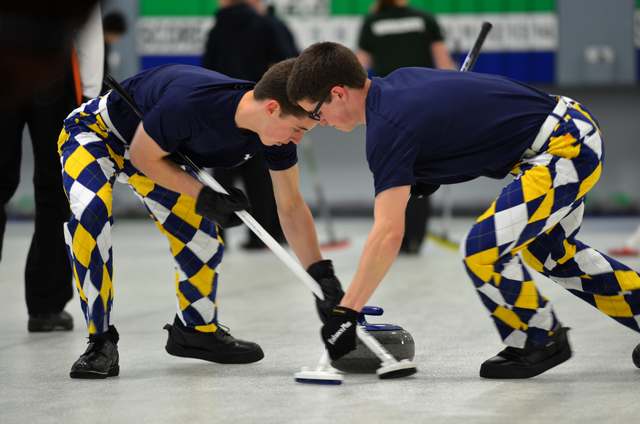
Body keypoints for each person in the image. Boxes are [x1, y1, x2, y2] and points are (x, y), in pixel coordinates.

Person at [287, 42, 640, 379]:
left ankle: (540, 339)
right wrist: (431, 171)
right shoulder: (397, 85)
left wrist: (348, 310)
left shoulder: (387, 128)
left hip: (563, 148)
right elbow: (458, 128)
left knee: (483, 251)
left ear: (337, 93)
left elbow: (388, 233)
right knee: (550, 253)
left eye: (317, 112)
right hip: (568, 130)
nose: (320, 122)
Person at [58, 59, 344, 379]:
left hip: (154, 153)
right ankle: (100, 342)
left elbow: (290, 205)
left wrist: (320, 274)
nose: (297, 140)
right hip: (97, 135)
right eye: (298, 130)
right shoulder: (192, 104)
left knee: (201, 236)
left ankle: (196, 332)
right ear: (273, 108)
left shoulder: (275, 134)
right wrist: (204, 196)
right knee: (91, 215)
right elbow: (140, 154)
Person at [0, 4, 103, 332]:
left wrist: (88, 93)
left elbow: (89, 23)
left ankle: (47, 303)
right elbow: (89, 24)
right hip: (53, 67)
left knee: (56, 187)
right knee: (54, 187)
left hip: (53, 66)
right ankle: (46, 306)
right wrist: (90, 93)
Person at [356, 0, 456, 255]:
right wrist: (460, 84)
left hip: (385, 105)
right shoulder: (424, 19)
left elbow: (358, 68)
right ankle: (415, 237)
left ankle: (393, 235)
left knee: (391, 168)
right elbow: (444, 62)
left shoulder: (372, 22)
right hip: (424, 101)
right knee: (420, 167)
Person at [202, 0, 291, 250]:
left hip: (223, 110)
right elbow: (285, 63)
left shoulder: (216, 29)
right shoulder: (265, 25)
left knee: (222, 175)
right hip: (260, 107)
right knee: (259, 177)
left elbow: (207, 68)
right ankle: (261, 236)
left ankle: (218, 235)